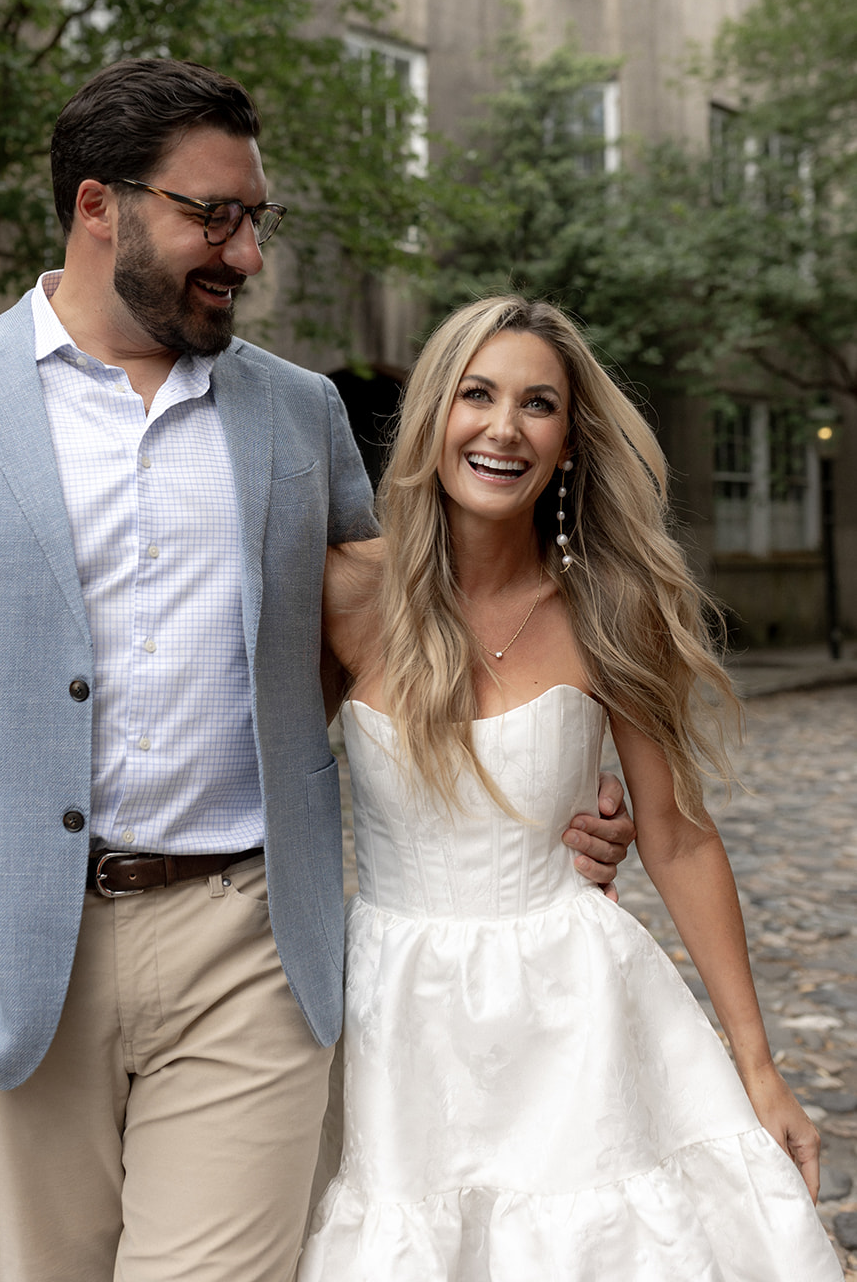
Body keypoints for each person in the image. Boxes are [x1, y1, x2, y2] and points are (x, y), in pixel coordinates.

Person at [0, 64, 635, 1282]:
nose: (244, 254)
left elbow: (408, 632)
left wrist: (553, 775)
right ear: (100, 206)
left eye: (256, 220)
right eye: (214, 217)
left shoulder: (295, 414)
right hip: (12, 942)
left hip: (248, 939)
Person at [299, 295, 842, 1280]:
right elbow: (266, 782)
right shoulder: (344, 592)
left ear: (566, 442)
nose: (503, 427)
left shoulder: (609, 606)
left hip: (574, 1012)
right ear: (433, 415)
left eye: (536, 404)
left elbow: (675, 835)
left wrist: (757, 1068)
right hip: (398, 1018)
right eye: (477, 394)